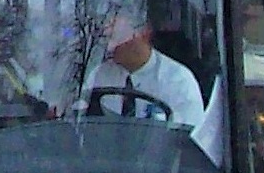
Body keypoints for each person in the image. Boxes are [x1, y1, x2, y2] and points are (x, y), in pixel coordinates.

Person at [78, 13, 222, 162]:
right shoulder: (99, 76)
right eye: (108, 39)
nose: (110, 47)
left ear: (144, 33)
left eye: (119, 38)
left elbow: (188, 149)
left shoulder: (178, 81)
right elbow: (81, 128)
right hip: (103, 170)